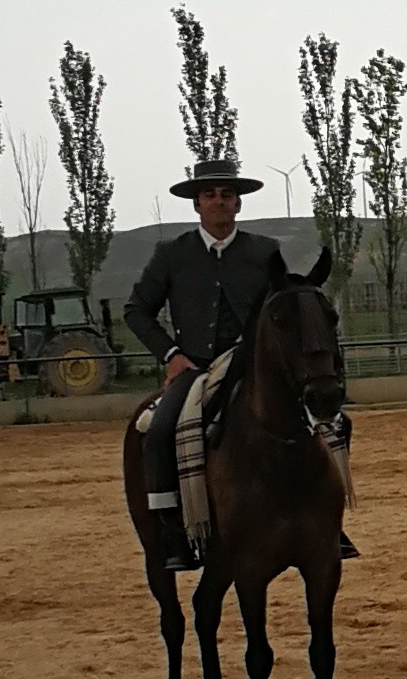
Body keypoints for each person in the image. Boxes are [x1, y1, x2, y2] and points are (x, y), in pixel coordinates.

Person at [125, 161, 316, 571]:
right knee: (159, 431)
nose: (218, 201)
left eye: (226, 194)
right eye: (210, 194)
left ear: (238, 204)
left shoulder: (264, 251)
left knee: (327, 424)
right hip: (194, 368)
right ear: (197, 204)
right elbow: (137, 311)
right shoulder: (171, 254)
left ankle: (324, 523)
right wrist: (170, 354)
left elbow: (279, 309)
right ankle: (174, 531)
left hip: (252, 365)